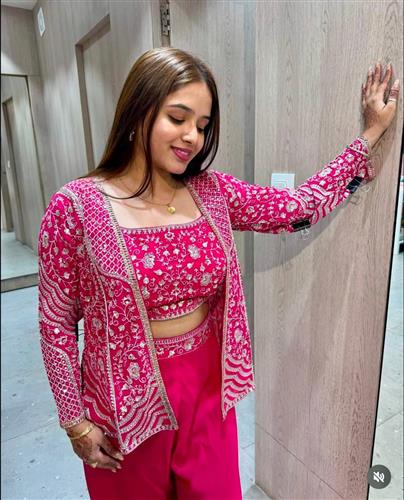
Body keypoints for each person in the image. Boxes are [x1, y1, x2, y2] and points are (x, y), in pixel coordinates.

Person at [37, 47, 399, 500]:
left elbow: (297, 208)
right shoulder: (76, 207)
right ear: (137, 111)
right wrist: (75, 422)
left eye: (203, 125)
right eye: (178, 117)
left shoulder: (211, 193)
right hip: (120, 406)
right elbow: (55, 322)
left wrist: (369, 135)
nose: (192, 136)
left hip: (207, 390)